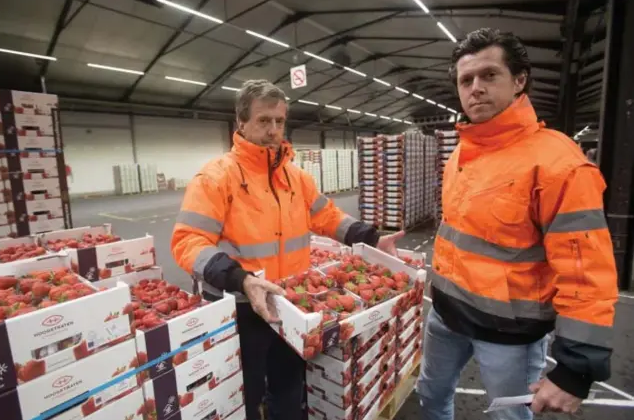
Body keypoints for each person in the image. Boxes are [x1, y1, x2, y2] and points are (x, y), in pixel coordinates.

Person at [171, 79, 404, 420]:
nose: (273, 129)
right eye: (264, 120)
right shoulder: (215, 178)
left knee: (288, 385)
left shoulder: (296, 178)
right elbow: (188, 241)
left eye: (280, 121)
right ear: (241, 122)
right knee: (244, 394)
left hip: (289, 303)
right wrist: (241, 279)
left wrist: (371, 238)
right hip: (240, 306)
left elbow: (327, 216)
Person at [417, 28, 618, 420]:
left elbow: (586, 273)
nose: (475, 88)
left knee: (507, 417)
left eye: (489, 75)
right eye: (466, 80)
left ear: (519, 80)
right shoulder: (461, 153)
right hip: (445, 316)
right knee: (431, 394)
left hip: (507, 337)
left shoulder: (558, 164)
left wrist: (576, 367)